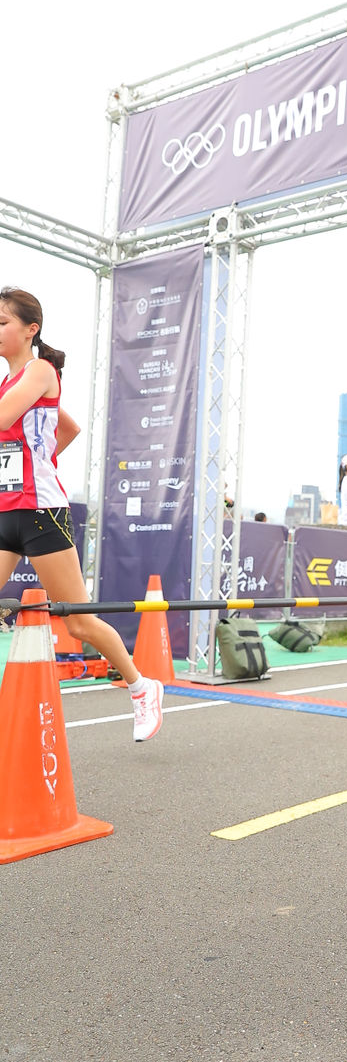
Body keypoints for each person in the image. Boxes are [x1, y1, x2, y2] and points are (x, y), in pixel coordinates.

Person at [0, 286, 163, 741]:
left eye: (2, 323)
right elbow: (66, 427)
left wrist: (40, 468)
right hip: (7, 510)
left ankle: (142, 686)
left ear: (30, 329)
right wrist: (41, 455)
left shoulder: (40, 370)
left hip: (42, 513)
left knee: (78, 620)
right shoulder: (9, 383)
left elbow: (3, 419)